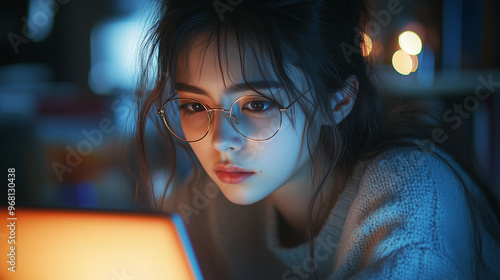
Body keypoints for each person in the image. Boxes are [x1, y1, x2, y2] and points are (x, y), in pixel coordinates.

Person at [129, 0, 500, 279]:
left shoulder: (415, 192)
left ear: (338, 100)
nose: (220, 141)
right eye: (194, 106)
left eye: (257, 104)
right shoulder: (211, 205)